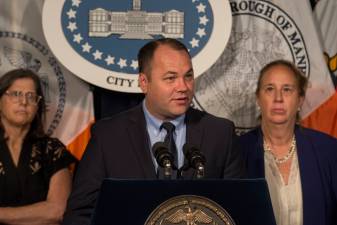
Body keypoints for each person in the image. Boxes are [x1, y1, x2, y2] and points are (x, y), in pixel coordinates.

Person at [62, 38, 245, 225]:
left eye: (188, 76)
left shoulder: (220, 133)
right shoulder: (108, 136)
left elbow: (239, 209)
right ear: (144, 82)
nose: (183, 87)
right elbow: (80, 214)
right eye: (170, 78)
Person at [239, 59, 337, 225]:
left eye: (287, 89)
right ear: (258, 98)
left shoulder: (329, 150)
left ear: (300, 99)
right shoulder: (237, 151)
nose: (278, 98)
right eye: (270, 89)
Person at [0, 69, 77, 225]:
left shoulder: (52, 149)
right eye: (15, 94)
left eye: (31, 96)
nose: (24, 102)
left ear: (37, 106)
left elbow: (57, 211)